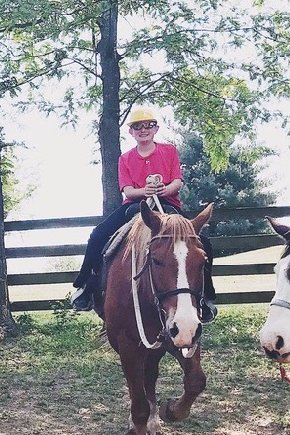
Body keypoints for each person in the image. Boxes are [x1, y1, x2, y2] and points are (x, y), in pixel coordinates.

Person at [70, 107, 217, 321]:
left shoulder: (169, 151)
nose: (143, 130)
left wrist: (164, 189)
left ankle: (206, 297)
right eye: (137, 126)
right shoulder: (125, 158)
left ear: (156, 128)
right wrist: (144, 192)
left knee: (202, 241)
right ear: (131, 132)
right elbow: (128, 191)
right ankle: (85, 285)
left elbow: (177, 181)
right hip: (134, 205)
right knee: (98, 235)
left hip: (167, 204)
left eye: (148, 125)